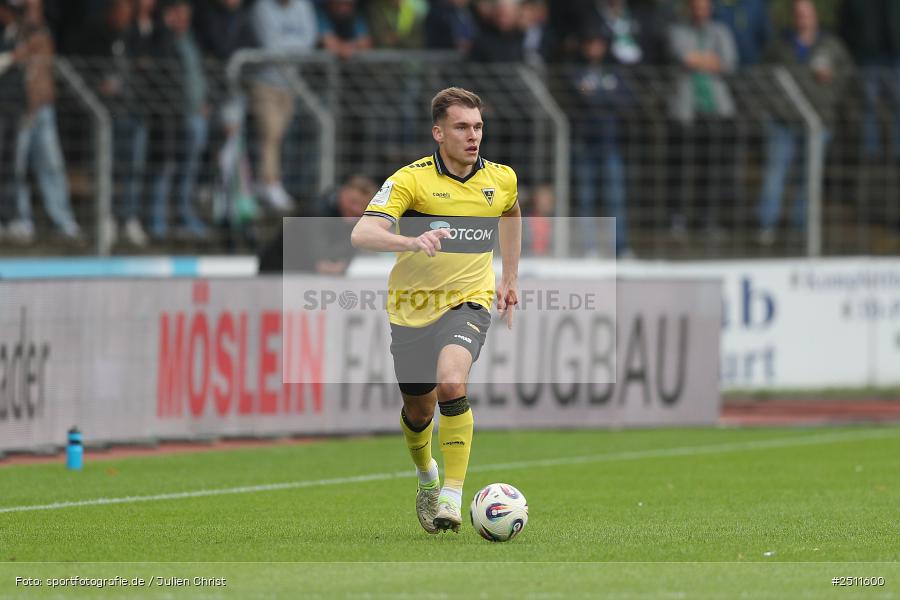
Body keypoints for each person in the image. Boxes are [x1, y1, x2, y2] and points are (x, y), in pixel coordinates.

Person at [350, 87, 521, 534]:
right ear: (438, 132)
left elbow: (512, 213)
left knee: (451, 382)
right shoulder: (411, 180)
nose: (473, 136)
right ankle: (427, 474)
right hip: (411, 310)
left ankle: (452, 494)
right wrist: (409, 240)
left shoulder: (500, 178)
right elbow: (362, 233)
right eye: (462, 127)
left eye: (478, 126)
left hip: (469, 301)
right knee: (419, 410)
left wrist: (509, 278)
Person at [757, 0, 851, 245]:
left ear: (815, 16)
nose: (802, 19)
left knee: (809, 178)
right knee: (775, 173)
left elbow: (846, 76)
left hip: (818, 121)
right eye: (798, 14)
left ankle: (802, 228)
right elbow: (765, 77)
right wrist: (775, 107)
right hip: (783, 121)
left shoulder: (830, 46)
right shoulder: (779, 45)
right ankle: (767, 226)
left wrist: (829, 93)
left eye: (806, 14)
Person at [6, 0, 82, 244]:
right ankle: (21, 218)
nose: (31, 11)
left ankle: (63, 220)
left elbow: (43, 53)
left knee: (51, 164)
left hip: (43, 109)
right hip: (19, 110)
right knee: (15, 167)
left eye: (35, 6)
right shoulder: (11, 35)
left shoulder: (42, 34)